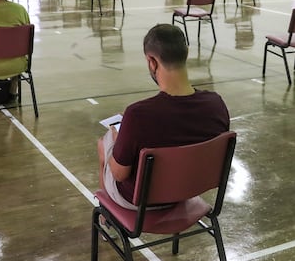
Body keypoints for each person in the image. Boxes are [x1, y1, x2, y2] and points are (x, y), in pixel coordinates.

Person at [98, 24, 230, 209]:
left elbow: (119, 174)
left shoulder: (137, 115)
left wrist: (118, 139)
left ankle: (107, 217)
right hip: (189, 190)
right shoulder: (217, 104)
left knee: (104, 144)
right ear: (185, 54)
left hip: (141, 200)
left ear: (152, 61)